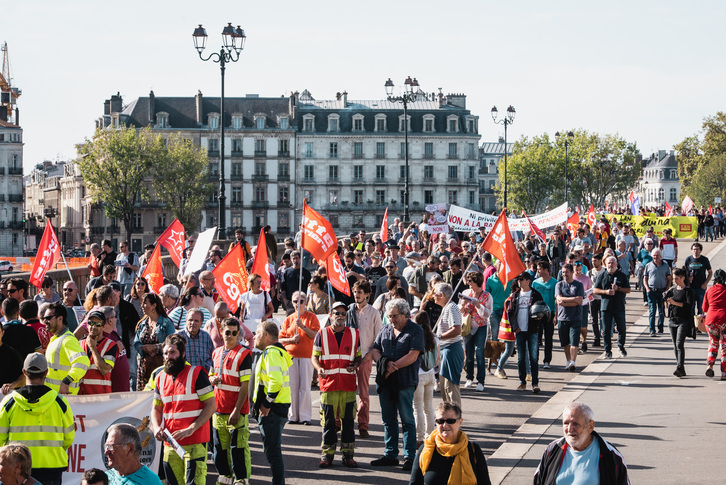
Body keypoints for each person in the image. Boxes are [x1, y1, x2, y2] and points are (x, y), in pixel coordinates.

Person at [150, 334, 216, 485]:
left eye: (173, 352)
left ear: (183, 354)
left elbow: (212, 405)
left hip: (195, 442)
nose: (168, 356)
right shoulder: (160, 377)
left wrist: (192, 428)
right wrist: (155, 427)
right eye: (166, 353)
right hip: (170, 444)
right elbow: (156, 409)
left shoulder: (197, 373)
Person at [0, 354, 75, 485]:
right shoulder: (60, 402)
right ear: (46, 372)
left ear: (24, 372)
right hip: (52, 468)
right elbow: (68, 438)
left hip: (18, 470)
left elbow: (1, 439)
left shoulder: (9, 402)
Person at [370, 299, 425, 472]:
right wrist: (383, 363)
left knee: (407, 420)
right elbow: (375, 350)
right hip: (386, 382)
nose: (391, 319)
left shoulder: (415, 330)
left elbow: (413, 355)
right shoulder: (385, 329)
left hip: (404, 381)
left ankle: (409, 456)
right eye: (389, 316)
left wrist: (393, 367)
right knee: (388, 419)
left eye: (394, 316)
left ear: (405, 314)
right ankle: (391, 454)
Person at [312, 301, 362, 468]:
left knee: (348, 423)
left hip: (348, 386)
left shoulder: (355, 334)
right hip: (328, 386)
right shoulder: (322, 334)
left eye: (343, 313)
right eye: (337, 313)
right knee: (328, 423)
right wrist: (318, 368)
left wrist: (355, 365)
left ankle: (348, 455)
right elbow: (314, 357)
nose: (340, 316)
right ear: (331, 315)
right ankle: (327, 455)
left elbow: (359, 356)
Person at [533, 402, 629, 485]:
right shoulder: (552, 450)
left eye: (575, 424)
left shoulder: (611, 455)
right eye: (566, 423)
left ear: (590, 426)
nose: (570, 429)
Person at [209, 317, 253, 484]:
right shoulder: (216, 352)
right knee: (220, 450)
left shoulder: (244, 354)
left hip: (236, 411)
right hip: (218, 409)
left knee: (238, 449)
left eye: (235, 333)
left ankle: (241, 480)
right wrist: (212, 378)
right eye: (228, 332)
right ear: (221, 332)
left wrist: (236, 410)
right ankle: (225, 479)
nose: (231, 336)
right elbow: (211, 372)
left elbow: (245, 386)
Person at [409, 402, 491, 485]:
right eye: (440, 421)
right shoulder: (426, 449)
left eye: (450, 421)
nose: (445, 425)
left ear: (460, 422)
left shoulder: (473, 449)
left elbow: (485, 482)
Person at [252, 320, 292, 485]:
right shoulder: (276, 352)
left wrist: (267, 404)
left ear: (266, 335)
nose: (254, 337)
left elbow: (275, 382)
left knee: (273, 452)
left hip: (273, 410)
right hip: (277, 409)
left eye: (257, 333)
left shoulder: (271, 353)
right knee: (273, 450)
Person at [347, 280, 382, 438]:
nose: (356, 295)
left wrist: (369, 354)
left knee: (363, 393)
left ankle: (363, 425)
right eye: (355, 292)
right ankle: (344, 422)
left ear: (367, 294)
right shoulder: (348, 311)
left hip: (365, 357)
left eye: (359, 292)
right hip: (348, 356)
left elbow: (379, 337)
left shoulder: (374, 313)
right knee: (346, 392)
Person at [279, 291, 320, 425]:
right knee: (292, 386)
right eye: (295, 301)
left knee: (305, 386)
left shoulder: (311, 317)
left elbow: (315, 335)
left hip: (306, 355)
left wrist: (302, 326)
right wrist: (291, 340)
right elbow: (280, 339)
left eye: (301, 301)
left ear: (306, 302)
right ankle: (293, 415)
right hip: (290, 356)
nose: (297, 304)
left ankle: (304, 416)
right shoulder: (288, 319)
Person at [43, 302, 90, 394]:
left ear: (60, 318)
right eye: (44, 318)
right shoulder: (56, 339)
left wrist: (66, 381)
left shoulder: (67, 340)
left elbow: (83, 362)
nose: (45, 321)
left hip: (65, 398)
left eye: (48, 318)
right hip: (55, 397)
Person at [510, 272, 546, 393]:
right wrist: (515, 327)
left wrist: (539, 320)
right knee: (521, 358)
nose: (519, 281)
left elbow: (543, 309)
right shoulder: (515, 295)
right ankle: (522, 382)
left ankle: (535, 383)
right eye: (518, 279)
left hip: (532, 330)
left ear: (528, 281)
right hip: (520, 330)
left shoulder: (535, 294)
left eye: (521, 279)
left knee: (534, 357)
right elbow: (510, 312)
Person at [134, 293, 175, 390]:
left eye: (145, 303)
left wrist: (156, 348)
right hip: (144, 367)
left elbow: (172, 343)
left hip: (161, 365)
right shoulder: (142, 324)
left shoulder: (166, 323)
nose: (142, 306)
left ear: (154, 305)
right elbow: (136, 342)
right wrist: (144, 349)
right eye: (142, 303)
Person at [459, 272, 492, 392]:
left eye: (470, 281)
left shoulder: (487, 295)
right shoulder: (466, 293)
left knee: (479, 353)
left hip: (481, 326)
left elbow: (488, 313)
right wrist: (462, 305)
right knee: (468, 353)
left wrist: (479, 306)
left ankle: (481, 381)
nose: (468, 283)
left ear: (477, 282)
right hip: (467, 326)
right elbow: (460, 311)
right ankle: (469, 378)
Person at [432, 283, 464, 406]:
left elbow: (456, 330)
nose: (433, 295)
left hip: (451, 350)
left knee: (451, 388)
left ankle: (455, 419)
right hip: (445, 350)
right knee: (445, 387)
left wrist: (438, 337)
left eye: (435, 293)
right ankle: (448, 418)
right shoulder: (447, 307)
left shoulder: (451, 308)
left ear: (442, 295)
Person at [594, 256, 631, 359]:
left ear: (616, 264)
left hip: (619, 306)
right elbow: (595, 290)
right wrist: (605, 292)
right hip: (606, 307)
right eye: (609, 263)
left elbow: (628, 290)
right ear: (605, 264)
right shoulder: (602, 276)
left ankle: (621, 346)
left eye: (612, 263)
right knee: (606, 330)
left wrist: (618, 288)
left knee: (622, 329)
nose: (611, 265)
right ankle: (608, 351)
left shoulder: (622, 276)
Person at [664, 267, 695, 378]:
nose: (674, 281)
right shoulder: (672, 290)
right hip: (672, 320)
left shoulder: (688, 291)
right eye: (673, 278)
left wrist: (674, 302)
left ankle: (680, 366)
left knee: (679, 344)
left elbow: (688, 306)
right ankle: (680, 367)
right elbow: (666, 302)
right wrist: (666, 302)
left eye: (676, 278)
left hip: (683, 320)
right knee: (674, 345)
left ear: (682, 278)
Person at [79, 309, 119, 394]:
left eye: (98, 324)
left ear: (103, 326)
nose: (93, 327)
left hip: (100, 396)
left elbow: (104, 370)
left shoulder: (111, 345)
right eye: (91, 323)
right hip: (81, 396)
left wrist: (93, 348)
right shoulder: (79, 344)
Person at [555, 264, 584, 371]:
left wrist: (565, 301)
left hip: (575, 317)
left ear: (572, 272)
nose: (565, 274)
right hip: (562, 318)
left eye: (566, 272)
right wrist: (574, 300)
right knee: (565, 343)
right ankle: (568, 361)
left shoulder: (578, 285)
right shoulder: (559, 285)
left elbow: (580, 301)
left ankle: (573, 362)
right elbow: (559, 300)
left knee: (574, 342)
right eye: (563, 272)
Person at [532, 261, 557, 368]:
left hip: (549, 313)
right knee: (536, 338)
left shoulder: (555, 283)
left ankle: (547, 361)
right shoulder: (535, 283)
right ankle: (535, 359)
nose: (538, 271)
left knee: (548, 338)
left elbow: (556, 300)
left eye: (540, 269)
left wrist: (556, 314)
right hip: (537, 314)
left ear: (546, 270)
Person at [702, 268, 726, 380]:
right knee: (724, 346)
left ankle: (710, 366)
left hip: (711, 320)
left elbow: (704, 308)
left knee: (713, 343)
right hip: (724, 320)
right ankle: (724, 373)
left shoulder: (709, 290)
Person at [643, 248, 672, 336]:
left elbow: (669, 278)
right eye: (654, 255)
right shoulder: (648, 265)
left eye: (657, 255)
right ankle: (652, 330)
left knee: (661, 311)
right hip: (651, 291)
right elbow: (645, 278)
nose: (655, 257)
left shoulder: (665, 265)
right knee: (652, 311)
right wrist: (647, 288)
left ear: (661, 256)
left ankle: (660, 328)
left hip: (661, 291)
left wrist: (667, 289)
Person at [685, 242, 712, 314]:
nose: (695, 251)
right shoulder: (688, 259)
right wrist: (687, 280)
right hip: (691, 287)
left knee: (701, 308)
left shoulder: (704, 260)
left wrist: (705, 283)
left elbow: (710, 272)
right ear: (691, 250)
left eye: (697, 249)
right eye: (694, 249)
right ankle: (692, 324)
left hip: (701, 287)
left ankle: (700, 324)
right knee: (691, 307)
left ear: (700, 250)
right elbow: (684, 273)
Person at [0, 323, 24, 394]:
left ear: (2, 333)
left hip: (5, 397)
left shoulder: (12, 354)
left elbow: (24, 377)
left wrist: (13, 385)